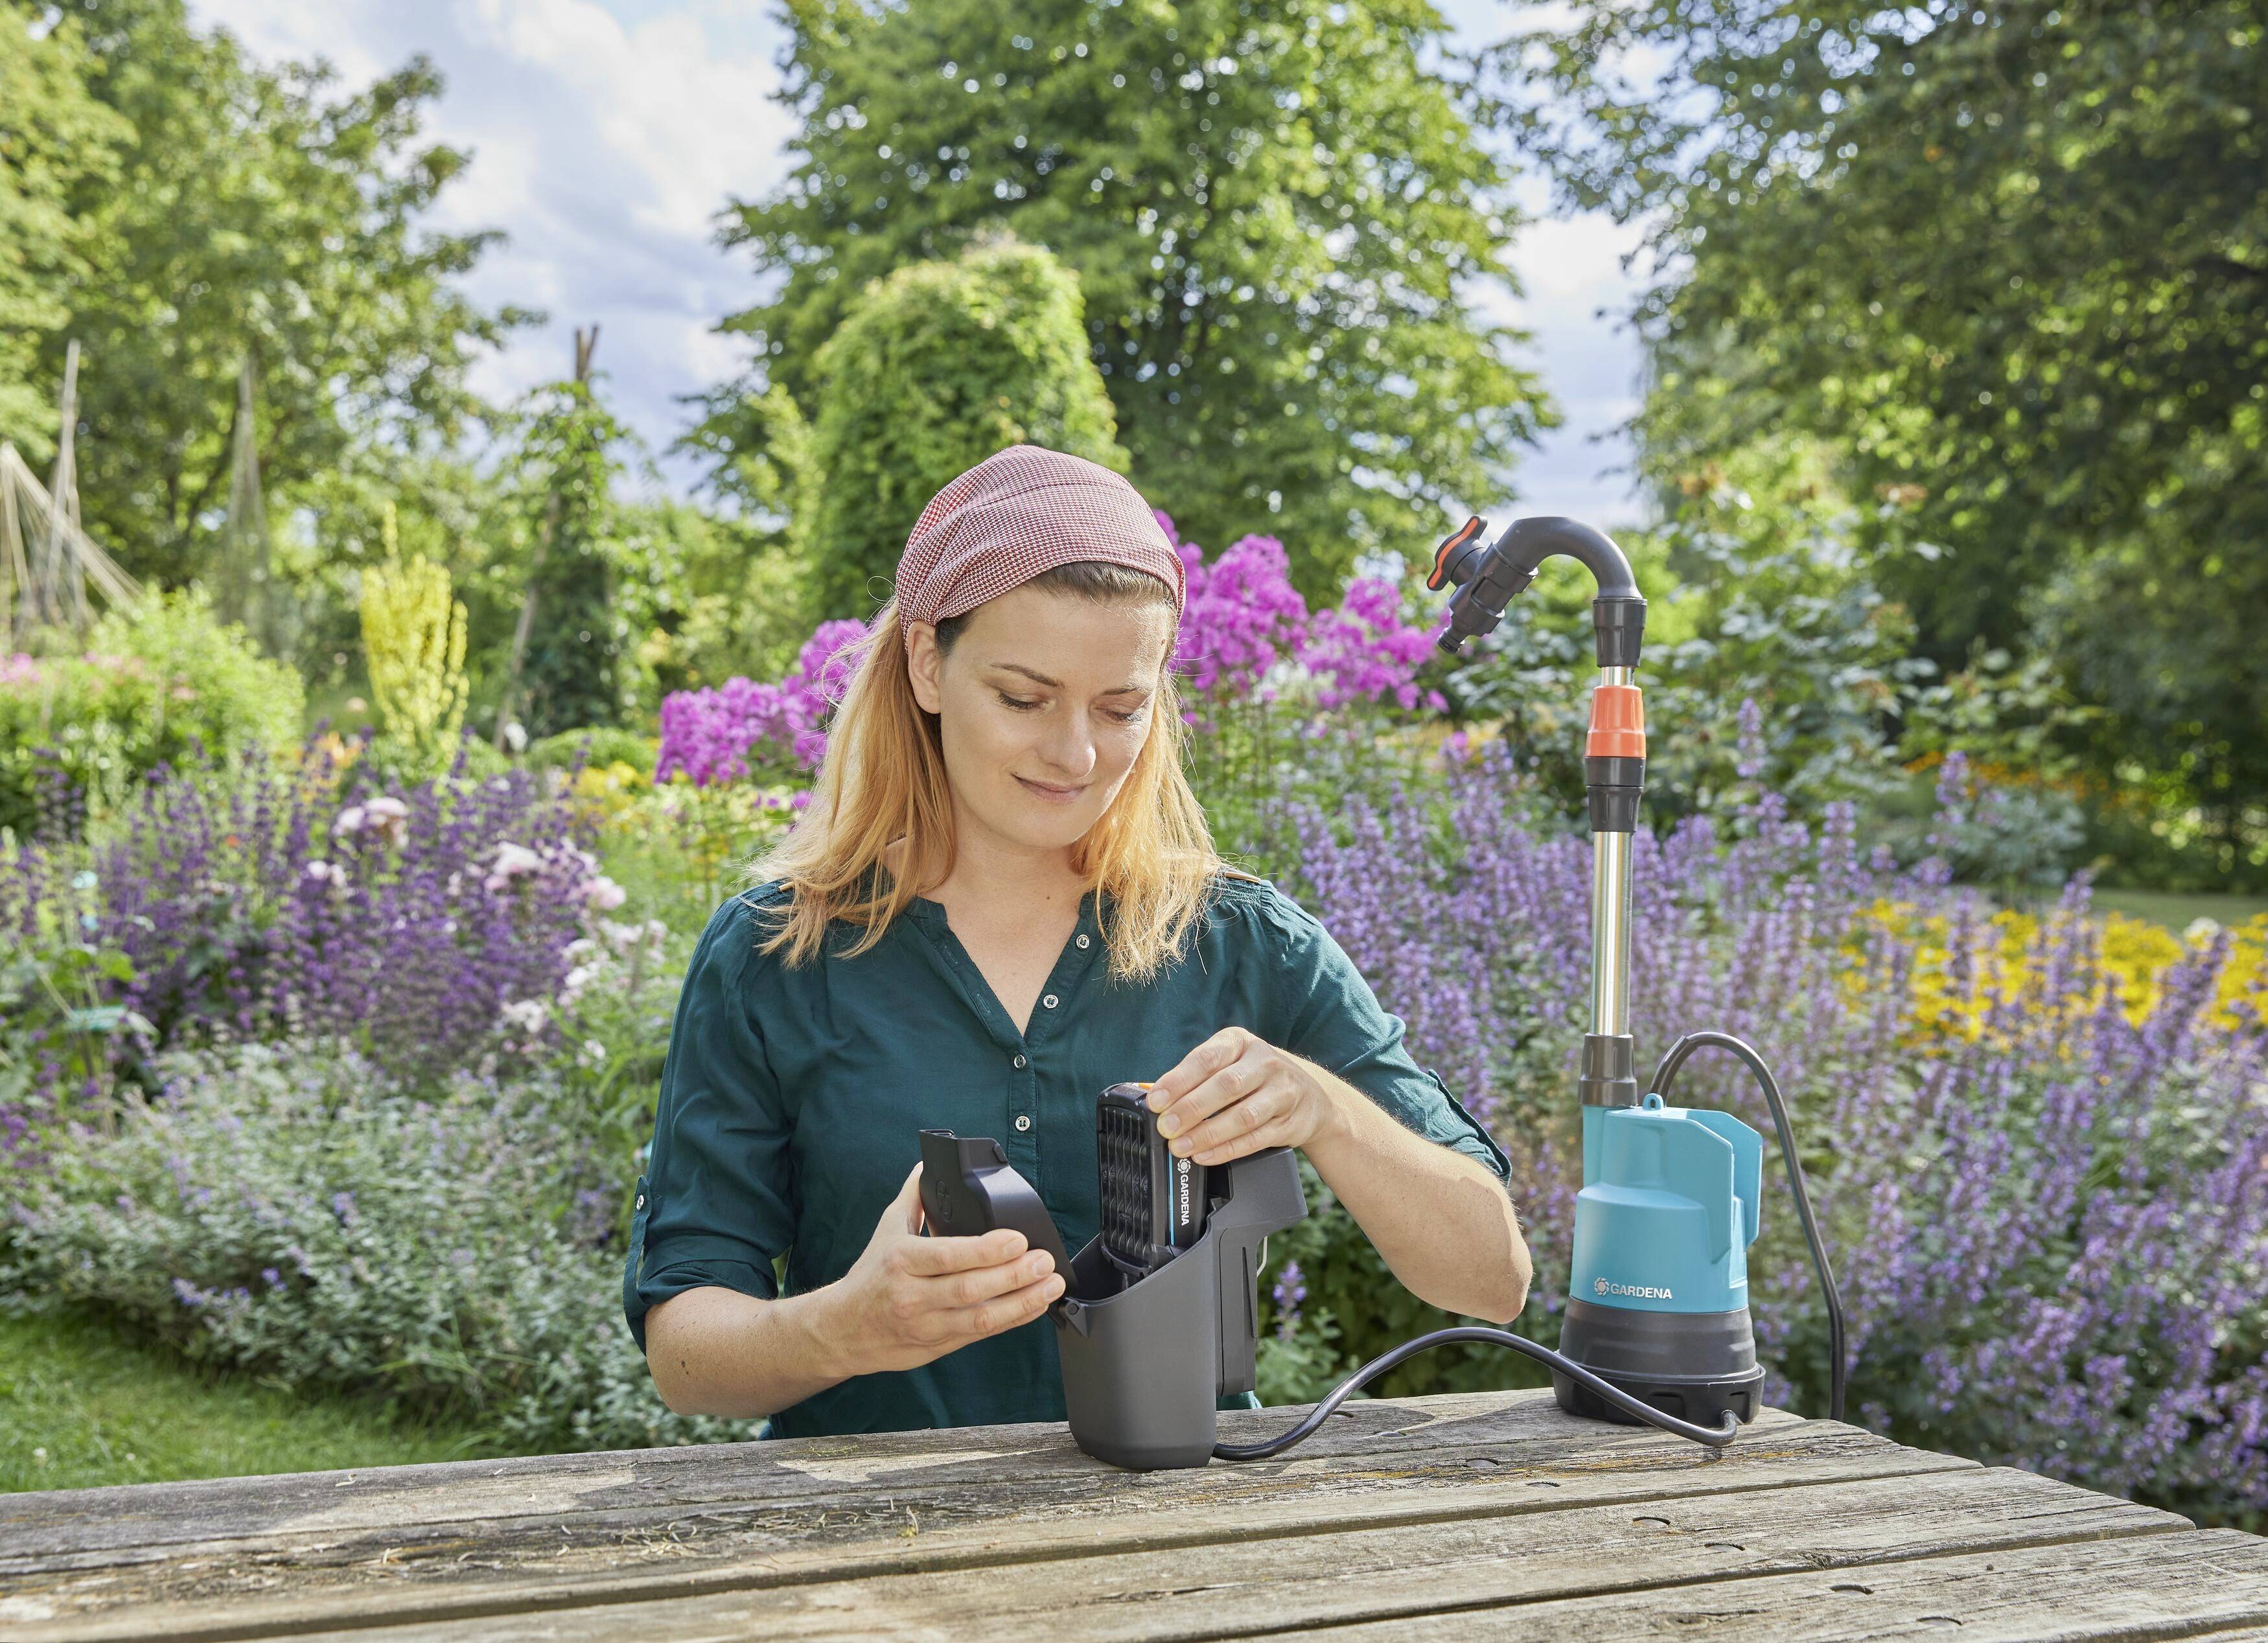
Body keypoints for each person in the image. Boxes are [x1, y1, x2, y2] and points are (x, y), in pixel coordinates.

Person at [625, 443, 1531, 1438]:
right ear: (928, 663)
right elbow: (686, 1350)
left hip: (1182, 1553)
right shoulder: (774, 954)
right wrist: (849, 1328)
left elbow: (1492, 1278)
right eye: (1024, 698)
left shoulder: (1244, 942)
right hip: (867, 1559)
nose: (1076, 753)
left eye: (1121, 707)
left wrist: (1324, 1110)